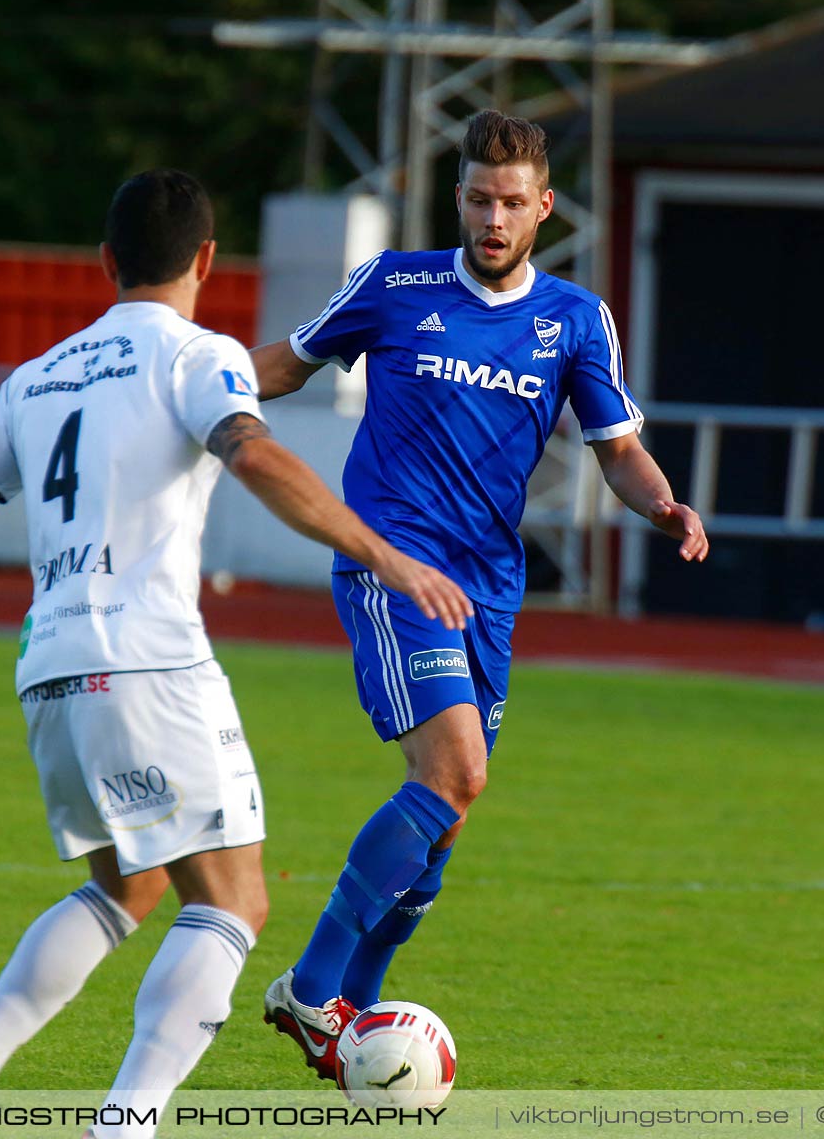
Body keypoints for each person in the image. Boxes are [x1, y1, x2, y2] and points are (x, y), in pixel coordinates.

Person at [0, 170, 470, 1139]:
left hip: (50, 673)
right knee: (236, 900)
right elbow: (256, 454)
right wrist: (387, 557)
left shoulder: (40, 375)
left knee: (131, 884)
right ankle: (126, 1124)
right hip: (148, 662)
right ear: (206, 261)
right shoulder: (201, 356)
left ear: (106, 262)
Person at [251, 109, 709, 1080]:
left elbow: (617, 450)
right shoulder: (396, 286)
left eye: (512, 202)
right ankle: (310, 986)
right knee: (454, 770)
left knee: (449, 817)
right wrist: (196, 396)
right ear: (455, 198)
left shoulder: (577, 322)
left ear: (545, 207)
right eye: (477, 198)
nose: (493, 218)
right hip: (393, 567)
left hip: (489, 596)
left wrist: (664, 505)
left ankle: (358, 1015)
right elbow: (284, 366)